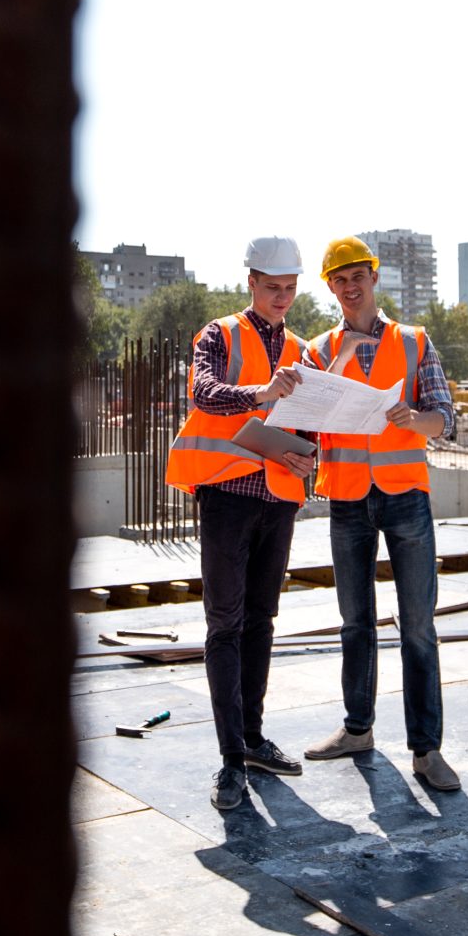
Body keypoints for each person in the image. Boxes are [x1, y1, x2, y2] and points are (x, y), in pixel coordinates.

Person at [300, 236, 463, 792]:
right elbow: (302, 419)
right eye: (339, 280)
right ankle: (357, 730)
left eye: (357, 276)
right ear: (331, 288)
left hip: (404, 495)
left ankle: (427, 750)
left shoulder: (415, 342)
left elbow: (446, 421)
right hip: (346, 496)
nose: (349, 287)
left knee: (418, 625)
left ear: (374, 278)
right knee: (355, 622)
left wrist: (411, 418)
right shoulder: (318, 350)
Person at [165, 237, 317, 812]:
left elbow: (311, 426)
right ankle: (230, 761)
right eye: (272, 288)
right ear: (252, 281)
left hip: (279, 497)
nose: (282, 298)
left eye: (289, 289)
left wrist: (309, 455)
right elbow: (204, 392)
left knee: (261, 621)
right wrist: (261, 391)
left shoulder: (304, 350)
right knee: (224, 624)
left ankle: (253, 740)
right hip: (227, 496)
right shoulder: (218, 334)